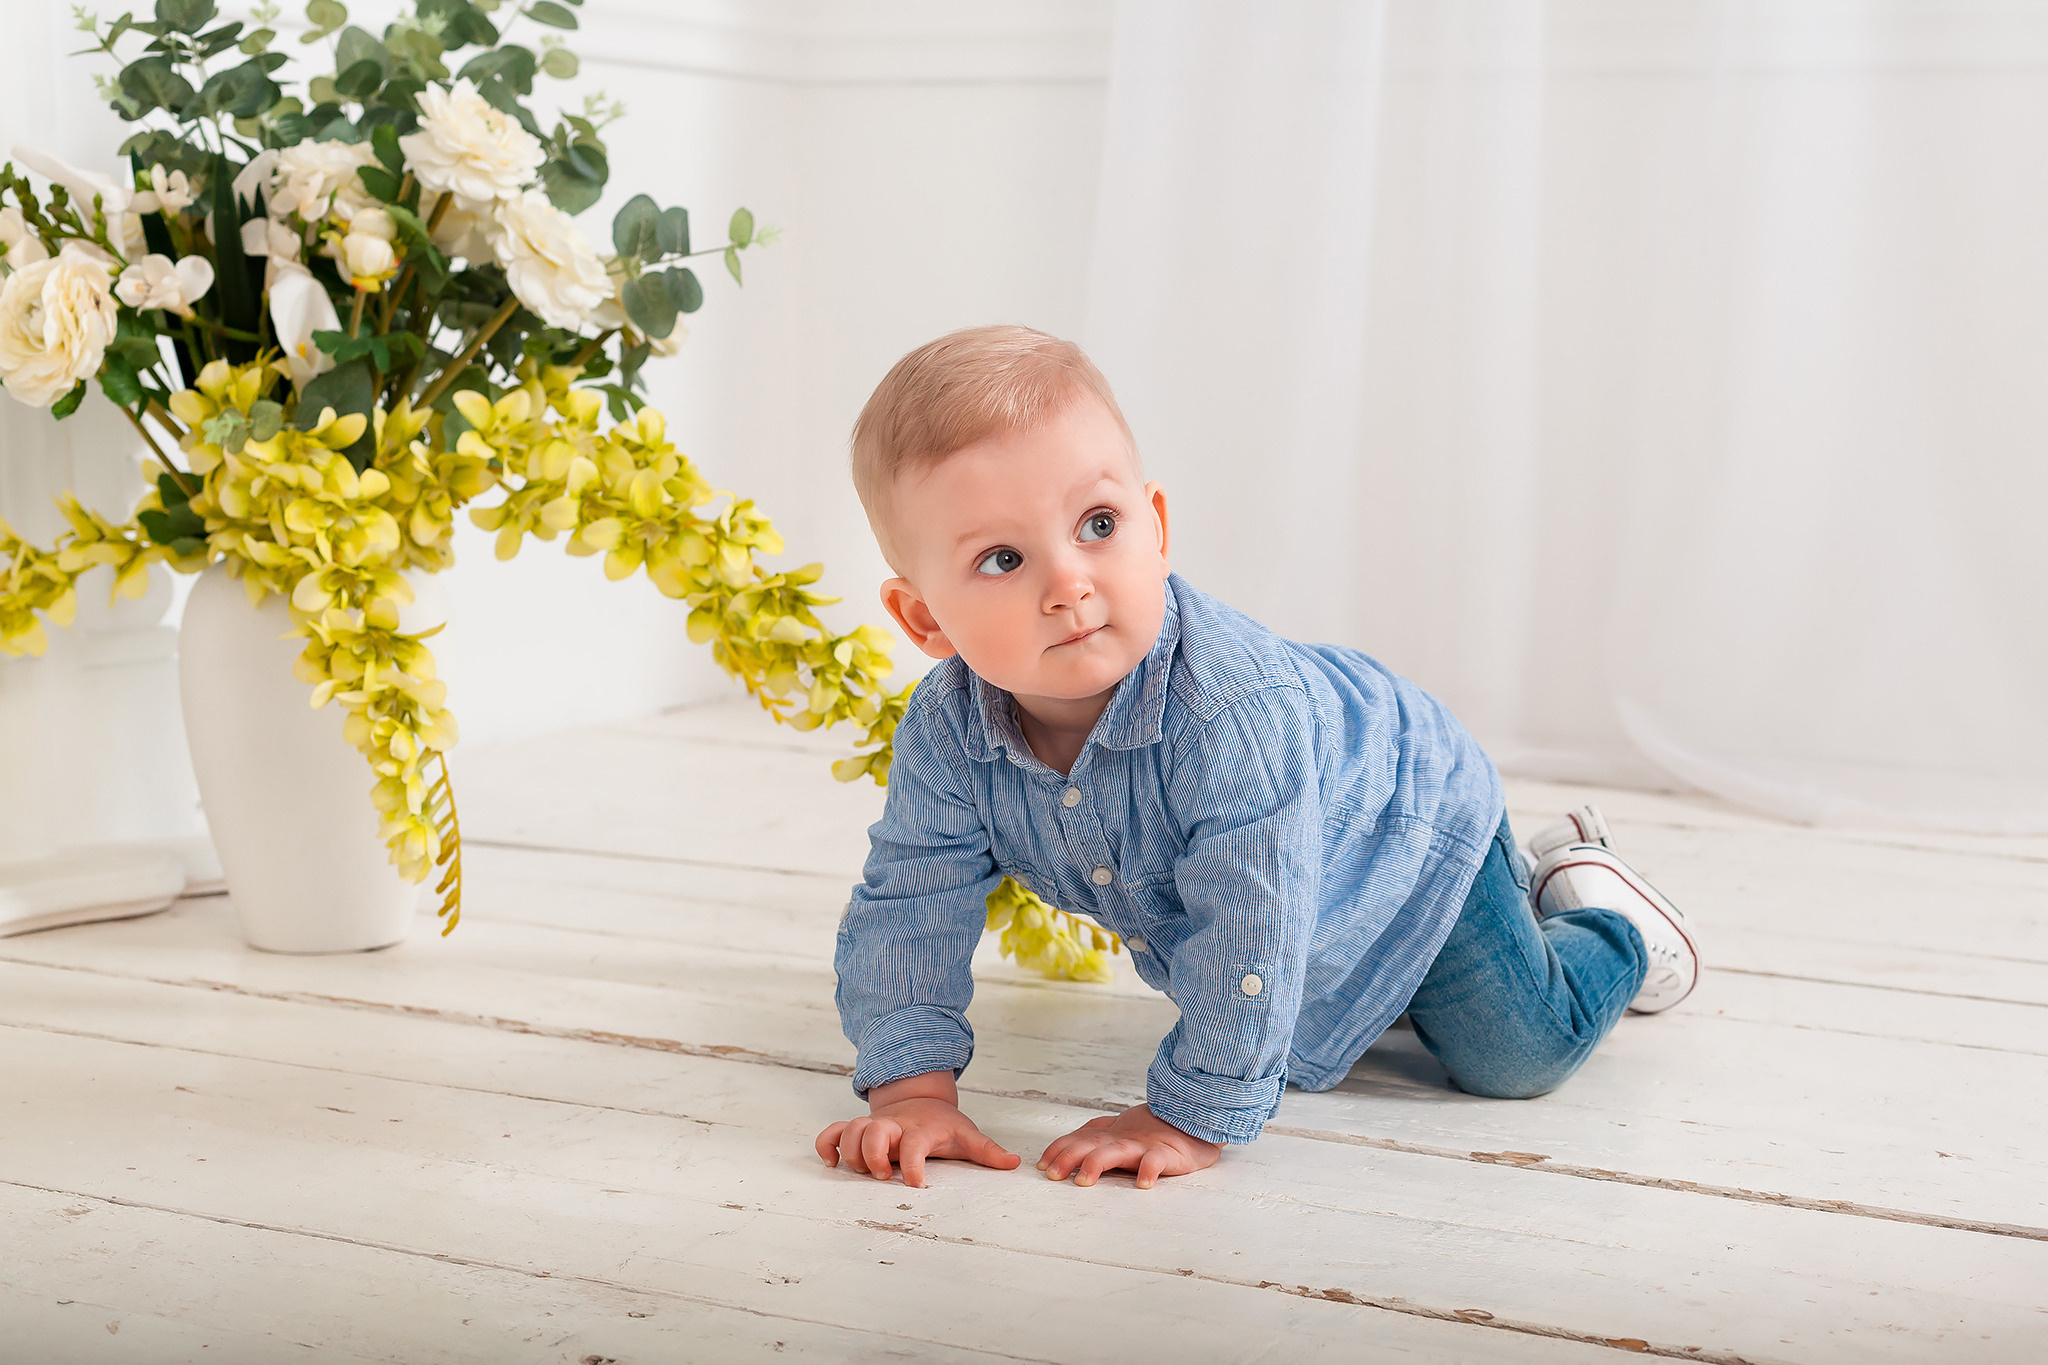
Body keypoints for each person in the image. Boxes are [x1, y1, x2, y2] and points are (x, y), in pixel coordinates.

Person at [813, 325, 1698, 1191]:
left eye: (1098, 523)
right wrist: (912, 1091)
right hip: (1311, 870)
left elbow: (1249, 917)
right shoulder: (947, 732)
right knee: (1337, 1004)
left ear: (1156, 526)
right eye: (1003, 558)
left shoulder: (1229, 713)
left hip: (1409, 827)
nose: (1068, 584)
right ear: (923, 618)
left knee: (1516, 1052)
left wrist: (1187, 1114)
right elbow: (912, 901)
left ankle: (1601, 913)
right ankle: (1490, 925)